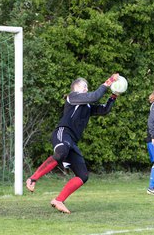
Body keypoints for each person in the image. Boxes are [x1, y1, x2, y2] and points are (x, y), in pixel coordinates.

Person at [25, 73, 120, 214]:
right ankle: (33, 179)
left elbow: (104, 109)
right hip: (63, 133)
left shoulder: (86, 106)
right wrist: (108, 82)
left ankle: (59, 200)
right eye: (84, 86)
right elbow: (94, 96)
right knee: (62, 151)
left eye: (87, 86)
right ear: (75, 88)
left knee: (83, 175)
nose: (86, 88)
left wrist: (114, 96)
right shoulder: (73, 97)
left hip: (72, 142)